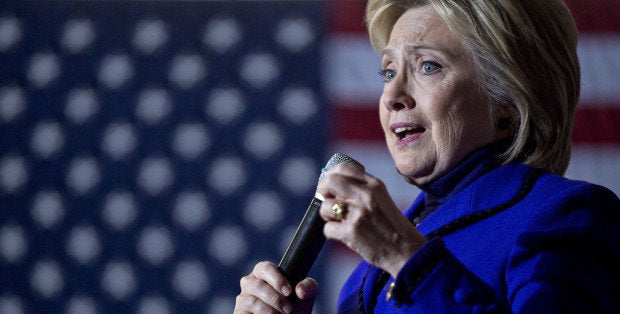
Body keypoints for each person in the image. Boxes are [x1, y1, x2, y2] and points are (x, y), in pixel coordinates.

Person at [235, 0, 620, 312]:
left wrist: (406, 259)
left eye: (428, 66)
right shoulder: (368, 271)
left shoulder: (568, 215)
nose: (392, 96)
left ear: (507, 99)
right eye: (388, 72)